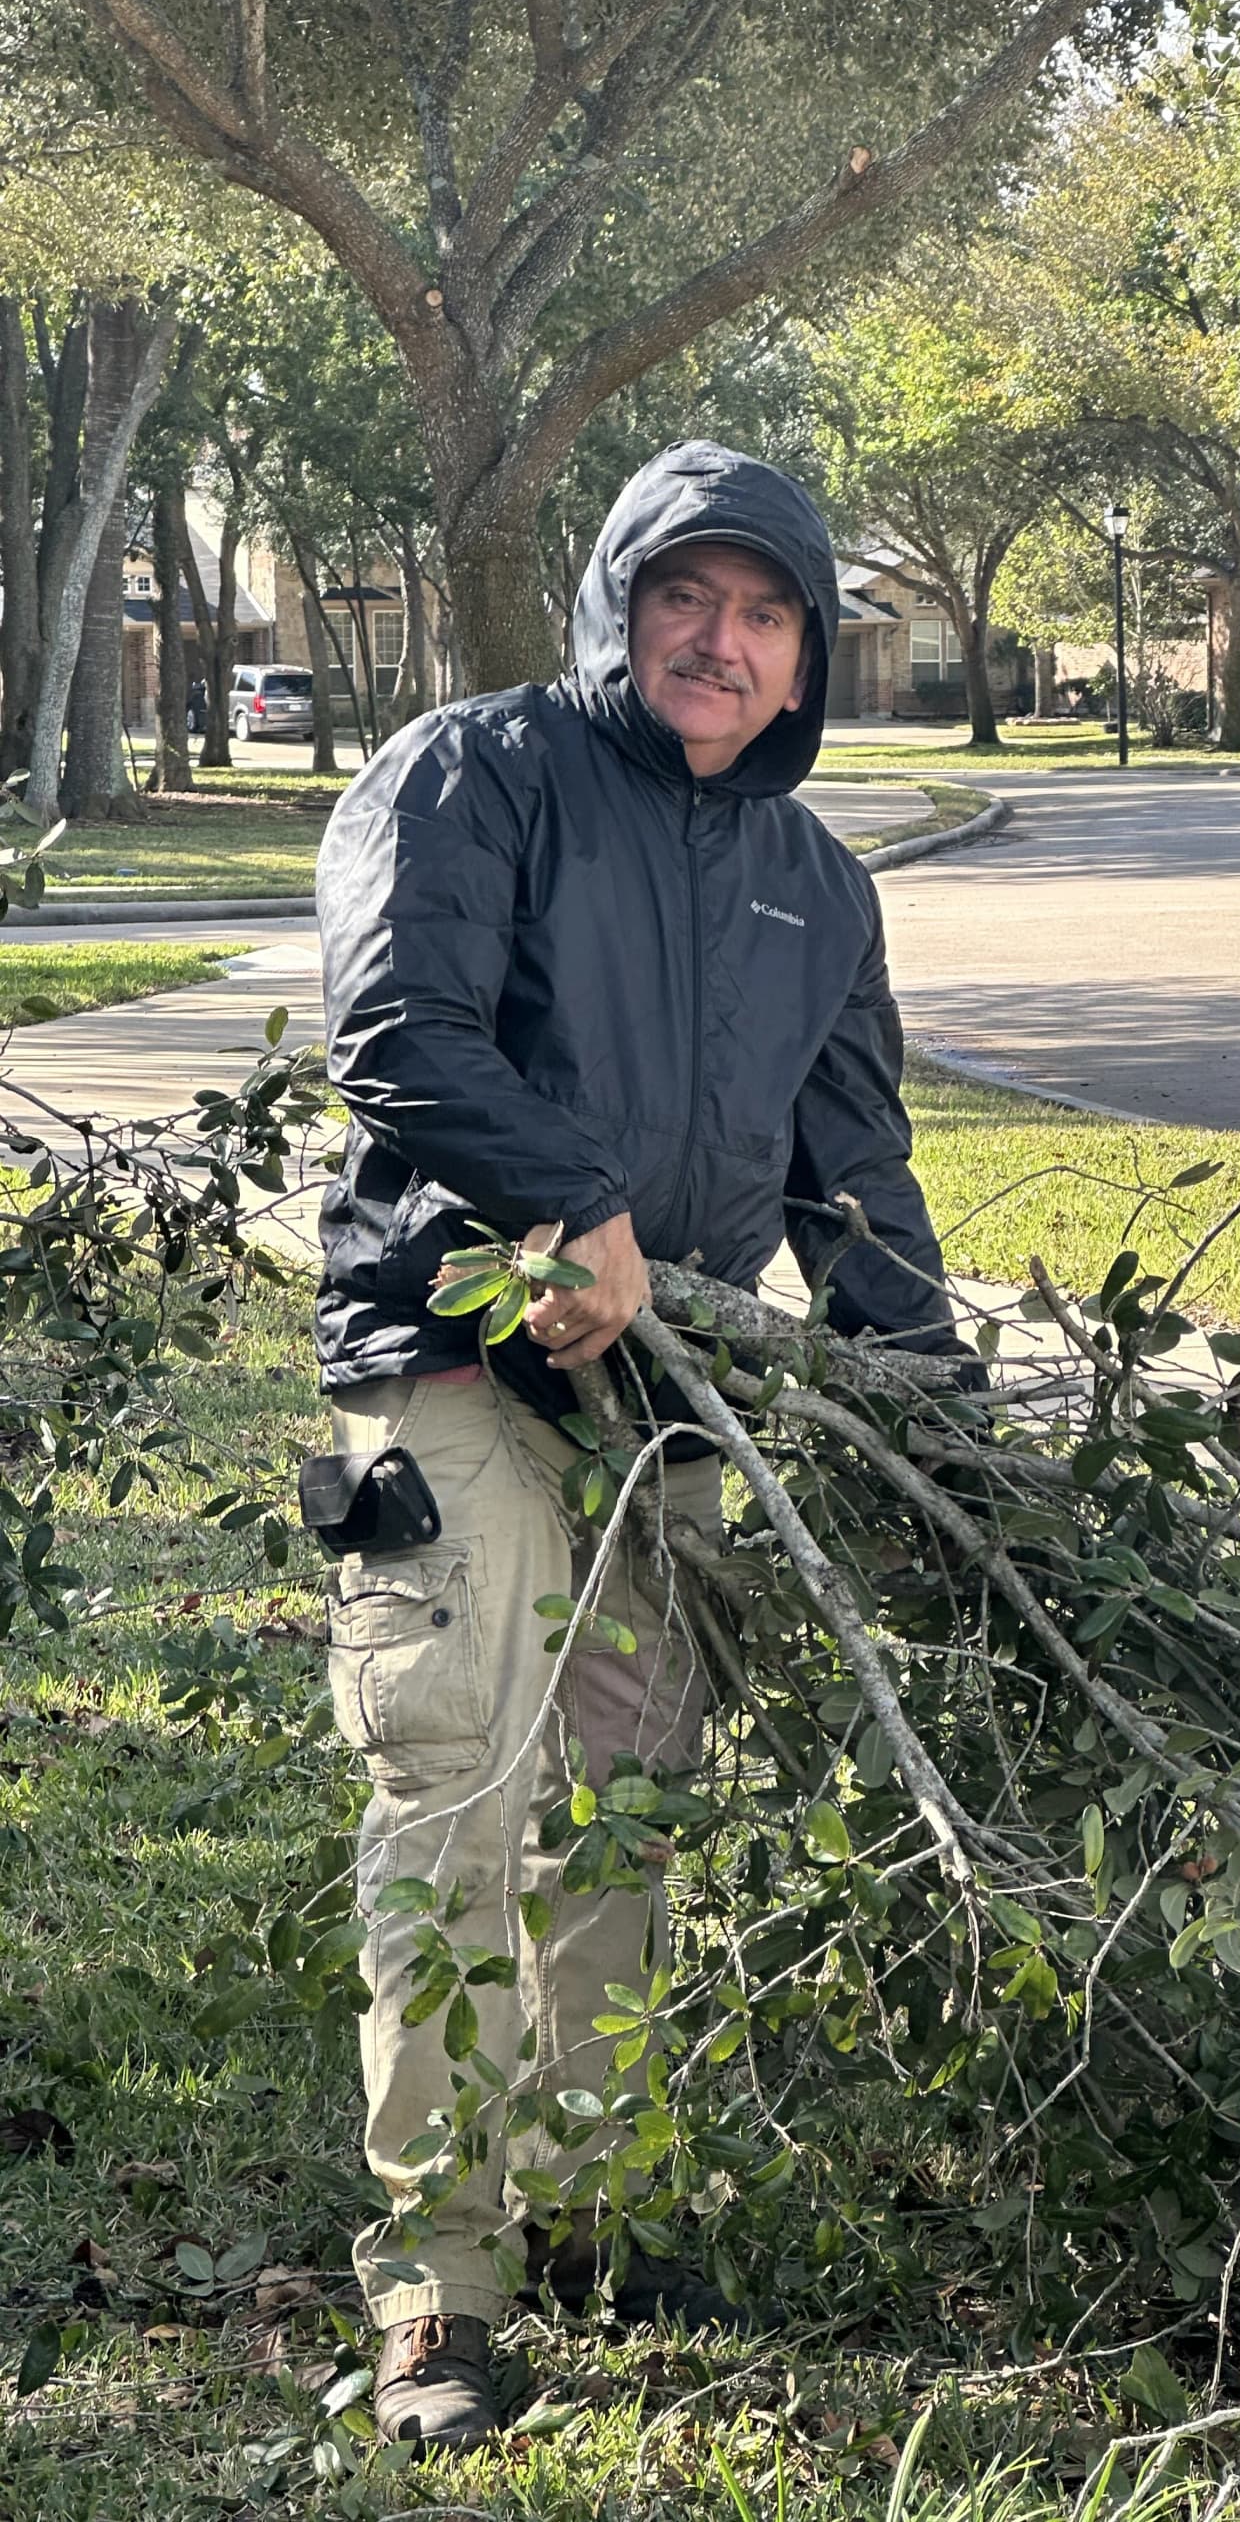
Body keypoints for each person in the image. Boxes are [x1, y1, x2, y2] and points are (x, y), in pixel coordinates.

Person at [312, 441, 972, 2453]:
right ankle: (441, 2283)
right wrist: (568, 1203)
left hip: (672, 1402)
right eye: (685, 593)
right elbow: (399, 1026)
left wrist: (947, 1433)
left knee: (626, 1797)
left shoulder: (820, 885)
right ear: (621, 602)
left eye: (764, 611)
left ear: (805, 661)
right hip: (461, 1348)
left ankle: (588, 2192)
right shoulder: (477, 770)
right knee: (457, 1775)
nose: (721, 636)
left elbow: (854, 1184)